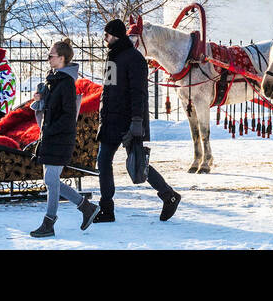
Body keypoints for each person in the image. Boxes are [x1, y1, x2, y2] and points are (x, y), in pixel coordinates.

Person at [92, 19, 181, 224]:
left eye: (107, 35)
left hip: (128, 119)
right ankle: (107, 209)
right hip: (110, 119)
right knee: (104, 161)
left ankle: (169, 195)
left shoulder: (134, 59)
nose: (105, 39)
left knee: (138, 162)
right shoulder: (112, 58)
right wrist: (102, 116)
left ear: (116, 35)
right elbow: (108, 89)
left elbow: (138, 93)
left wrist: (137, 121)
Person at [29, 38, 98, 237]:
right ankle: (86, 207)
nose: (48, 58)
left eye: (51, 55)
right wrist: (41, 100)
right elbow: (52, 109)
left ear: (62, 58)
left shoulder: (66, 83)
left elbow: (68, 116)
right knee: (50, 180)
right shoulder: (54, 79)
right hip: (51, 136)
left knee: (51, 179)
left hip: (59, 137)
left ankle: (49, 223)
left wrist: (50, 129)